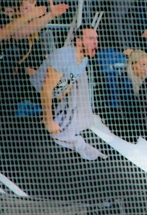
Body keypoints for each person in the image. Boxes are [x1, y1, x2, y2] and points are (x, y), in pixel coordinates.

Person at [30, 26, 101, 159]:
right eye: (91, 38)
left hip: (52, 101)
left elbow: (69, 81)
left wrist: (60, 98)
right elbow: (46, 90)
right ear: (79, 41)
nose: (95, 42)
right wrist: (49, 121)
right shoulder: (64, 57)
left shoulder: (84, 60)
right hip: (32, 95)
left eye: (96, 38)